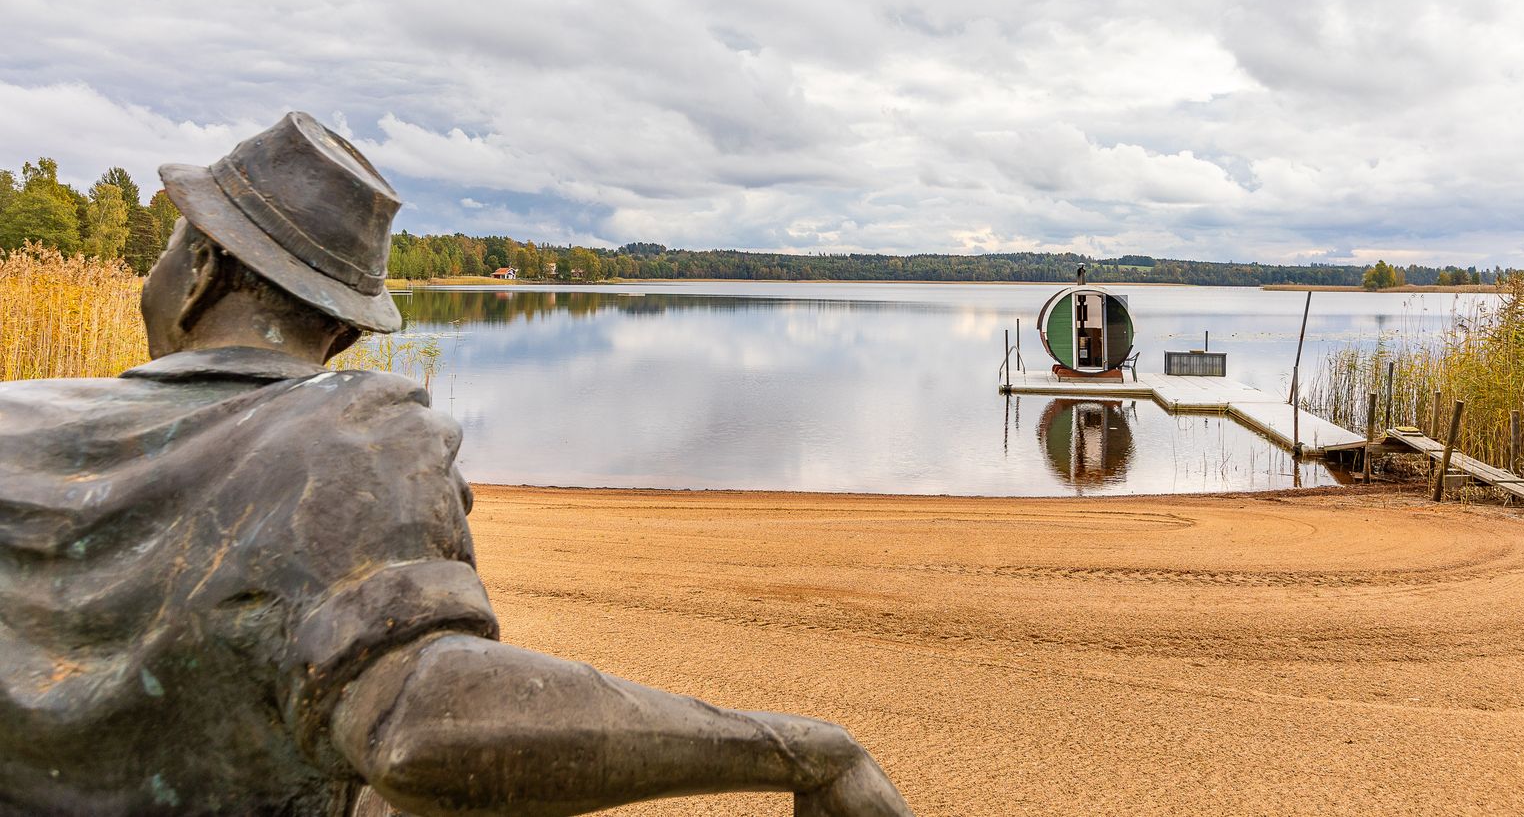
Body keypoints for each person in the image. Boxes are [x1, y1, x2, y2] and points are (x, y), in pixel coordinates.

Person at [0, 112, 912, 817]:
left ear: (197, 271)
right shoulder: (346, 430)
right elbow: (424, 719)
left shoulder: (17, 418)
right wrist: (804, 751)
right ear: (348, 328)